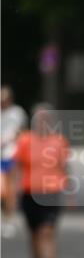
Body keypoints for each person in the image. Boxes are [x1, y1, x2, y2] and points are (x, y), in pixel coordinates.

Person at [13, 104, 70, 258]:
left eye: (46, 119)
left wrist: (69, 194)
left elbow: (65, 167)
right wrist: (14, 191)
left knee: (47, 231)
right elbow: (17, 167)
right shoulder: (24, 140)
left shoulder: (58, 141)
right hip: (29, 192)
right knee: (34, 234)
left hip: (51, 193)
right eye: (39, 119)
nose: (42, 122)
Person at [1, 86, 28, 238]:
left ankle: (8, 220)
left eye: (4, 100)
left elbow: (22, 132)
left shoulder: (17, 113)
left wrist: (11, 139)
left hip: (11, 154)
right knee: (2, 190)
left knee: (10, 191)